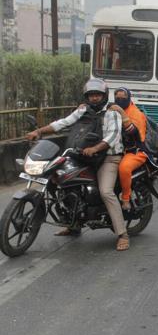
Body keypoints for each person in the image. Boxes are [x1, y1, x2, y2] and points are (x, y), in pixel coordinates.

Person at [25, 79, 130, 251]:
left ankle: (122, 234)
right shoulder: (83, 110)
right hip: (82, 154)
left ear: (104, 96)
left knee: (106, 192)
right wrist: (38, 131)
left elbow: (113, 137)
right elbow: (62, 123)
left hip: (108, 157)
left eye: (98, 95)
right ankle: (73, 224)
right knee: (56, 179)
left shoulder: (112, 112)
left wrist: (95, 148)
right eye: (91, 95)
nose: (94, 98)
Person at [113, 87, 148, 211]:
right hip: (116, 148)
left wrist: (122, 114)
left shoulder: (136, 114)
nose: (120, 100)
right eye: (117, 98)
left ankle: (126, 198)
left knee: (124, 168)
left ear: (129, 98)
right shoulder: (112, 109)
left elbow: (135, 134)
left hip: (135, 150)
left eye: (123, 98)